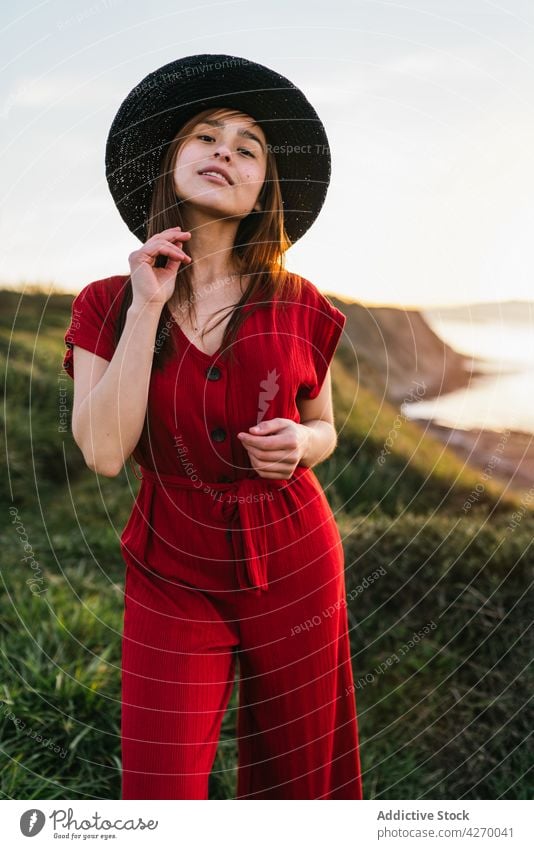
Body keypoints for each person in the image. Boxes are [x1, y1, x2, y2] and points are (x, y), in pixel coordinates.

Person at [62, 53, 363, 800]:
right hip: (171, 568)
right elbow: (103, 452)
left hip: (296, 560)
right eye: (206, 136)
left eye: (248, 145)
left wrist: (302, 444)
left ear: (265, 189)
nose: (225, 150)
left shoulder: (300, 302)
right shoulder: (107, 301)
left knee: (300, 782)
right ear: (172, 162)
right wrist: (147, 307)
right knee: (160, 790)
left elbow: (325, 427)